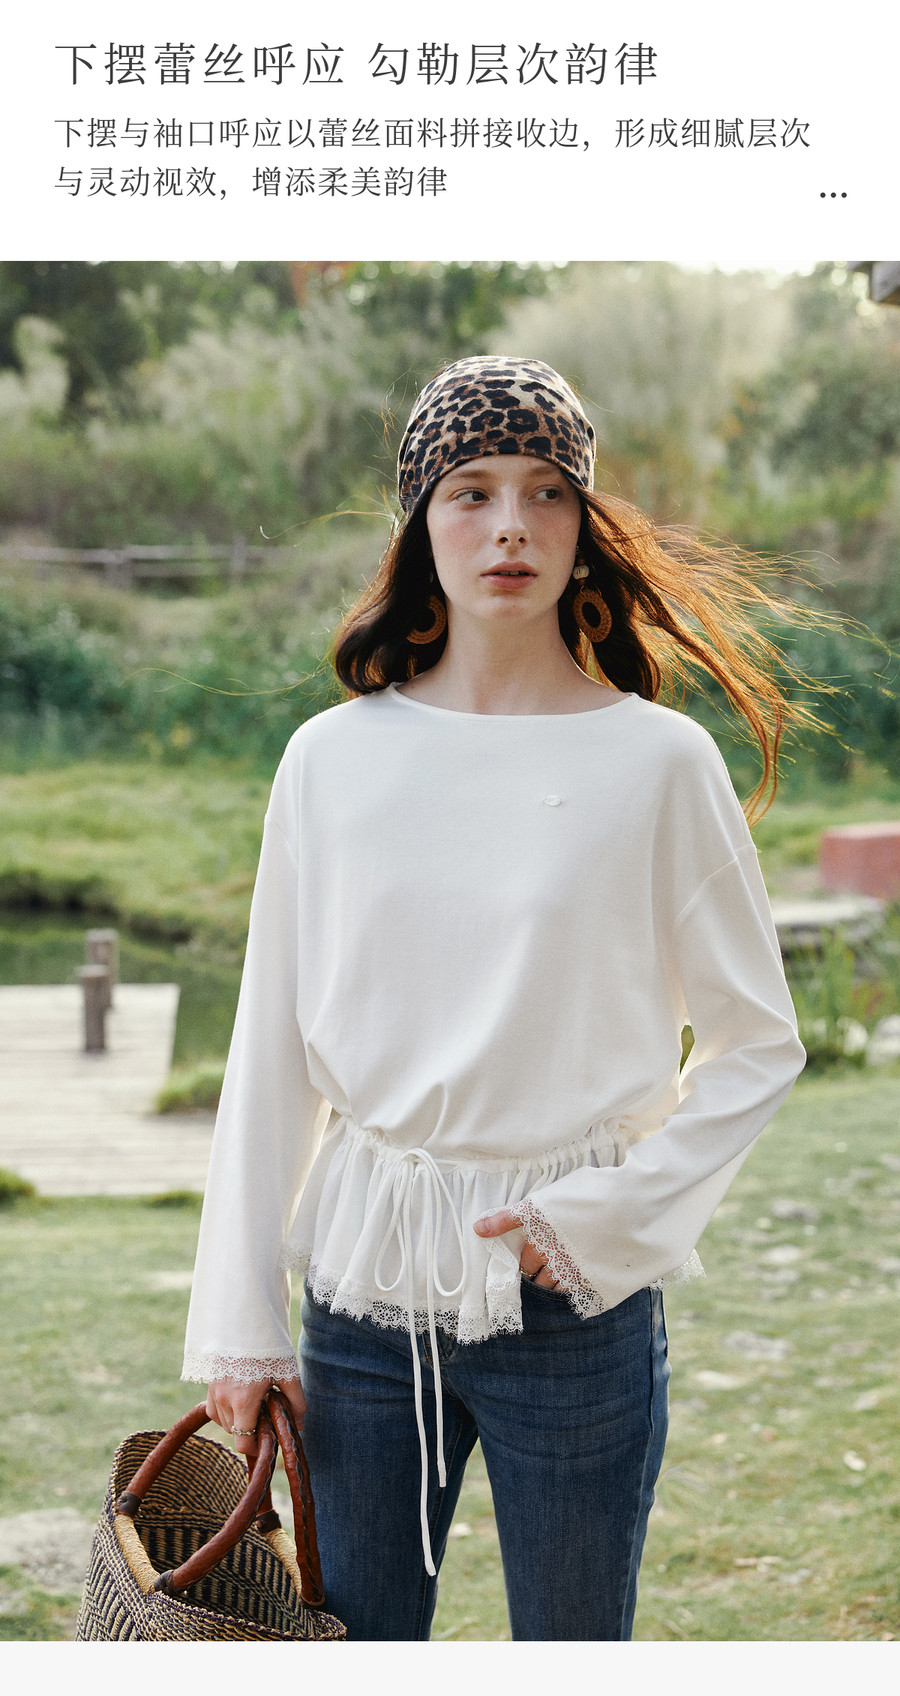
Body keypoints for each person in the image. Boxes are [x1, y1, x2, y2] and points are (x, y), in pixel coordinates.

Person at [182, 355, 806, 1641]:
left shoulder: (659, 763)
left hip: (571, 1301)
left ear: (583, 526)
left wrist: (603, 1221)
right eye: (470, 491)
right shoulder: (330, 760)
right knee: (353, 1647)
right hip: (361, 1296)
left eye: (544, 491)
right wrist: (242, 1324)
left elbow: (757, 1044)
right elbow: (271, 1049)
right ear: (422, 521)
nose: (510, 525)